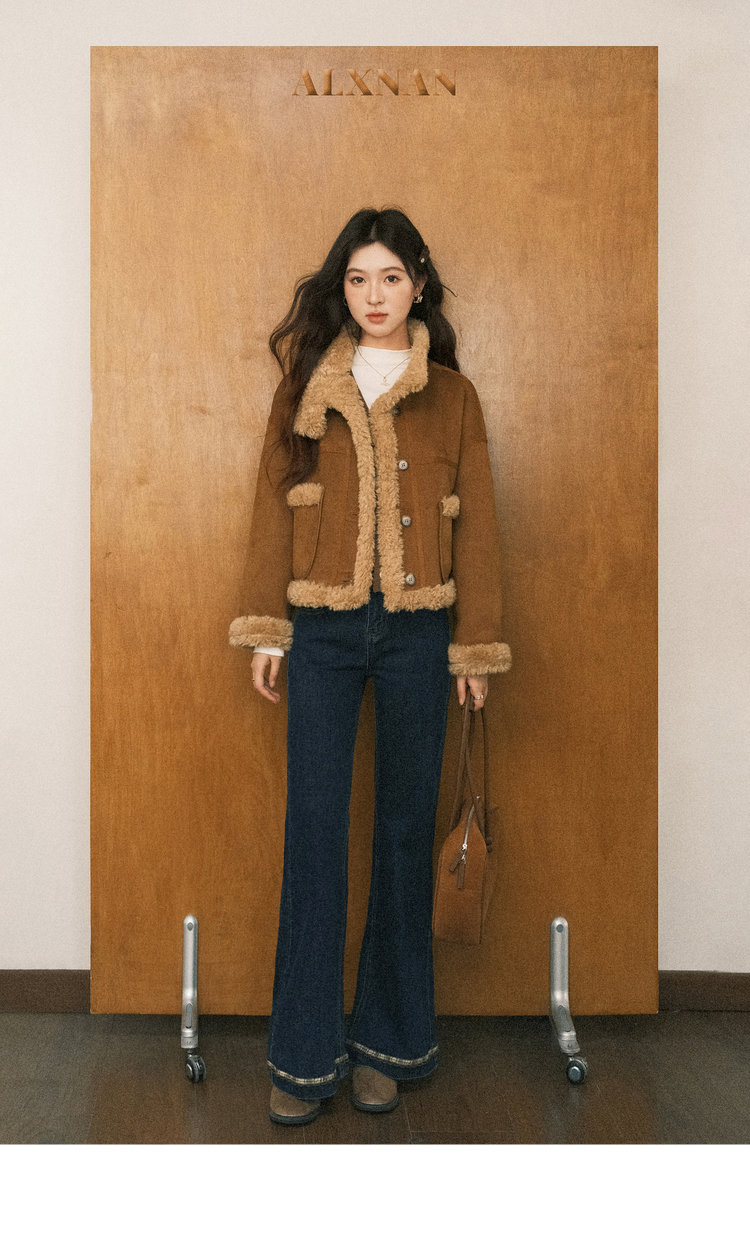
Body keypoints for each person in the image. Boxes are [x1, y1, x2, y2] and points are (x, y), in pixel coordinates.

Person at [230, 208, 511, 1125]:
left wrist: (474, 645)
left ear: (418, 284)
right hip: (321, 628)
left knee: (402, 829)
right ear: (341, 289)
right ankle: (303, 1055)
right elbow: (273, 503)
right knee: (314, 833)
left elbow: (481, 524)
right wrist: (268, 630)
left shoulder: (454, 396)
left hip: (420, 634)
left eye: (390, 277)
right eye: (358, 279)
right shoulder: (309, 384)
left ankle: (389, 1043)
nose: (374, 295)